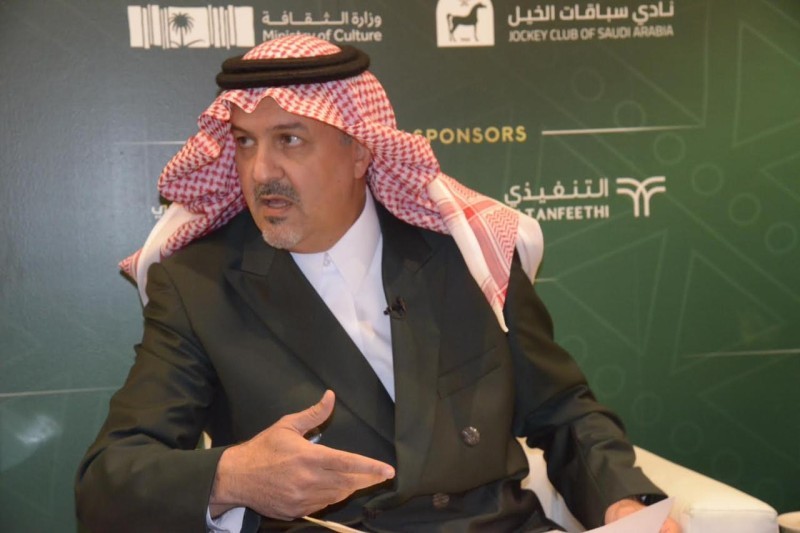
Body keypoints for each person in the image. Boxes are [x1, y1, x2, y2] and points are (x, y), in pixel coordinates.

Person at [75, 35, 680, 533]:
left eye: (289, 139)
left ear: (360, 151)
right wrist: (232, 477)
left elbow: (563, 410)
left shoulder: (468, 252)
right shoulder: (198, 286)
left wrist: (623, 503)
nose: (261, 171)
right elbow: (108, 481)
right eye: (245, 143)